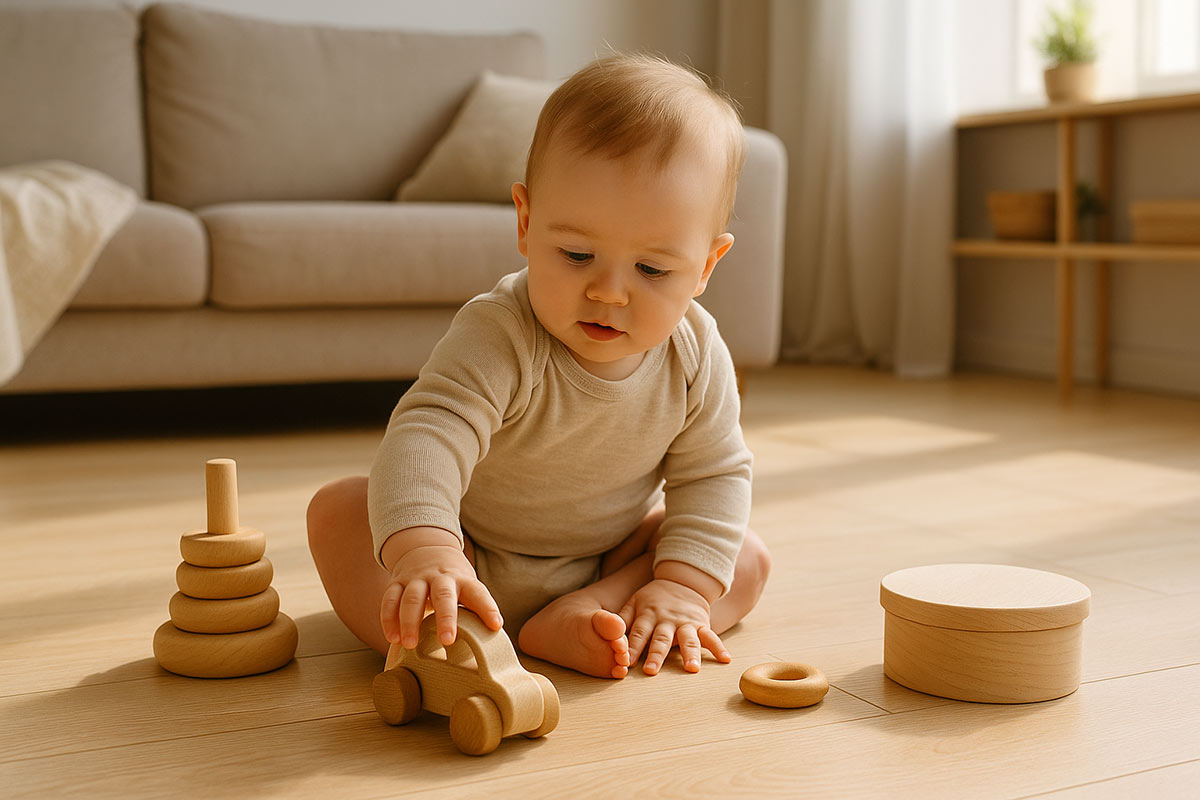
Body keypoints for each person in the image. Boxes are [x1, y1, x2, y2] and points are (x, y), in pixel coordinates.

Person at [307, 53, 770, 680]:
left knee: (741, 554)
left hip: (611, 560)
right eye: (577, 255)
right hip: (471, 560)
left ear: (707, 266)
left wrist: (684, 589)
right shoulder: (501, 331)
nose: (609, 292)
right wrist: (427, 548)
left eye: (653, 270)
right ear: (526, 223)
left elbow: (714, 473)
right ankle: (457, 640)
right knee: (339, 511)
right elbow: (429, 435)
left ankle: (592, 613)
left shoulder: (695, 351)